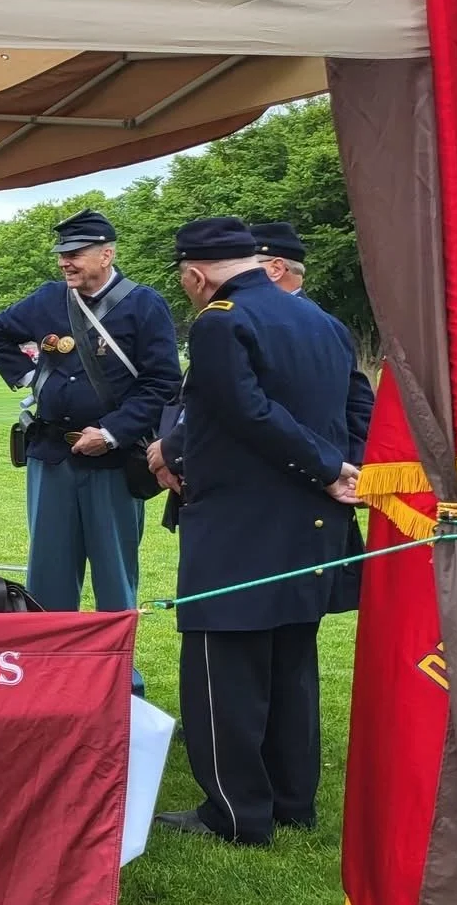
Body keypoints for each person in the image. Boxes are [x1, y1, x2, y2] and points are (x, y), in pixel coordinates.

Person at [154, 218, 366, 846]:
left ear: (195, 275)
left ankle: (236, 811)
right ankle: (293, 800)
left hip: (241, 524)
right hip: (309, 522)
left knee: (225, 673)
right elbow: (353, 406)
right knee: (292, 667)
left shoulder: (221, 322)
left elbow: (245, 412)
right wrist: (336, 466)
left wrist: (328, 468)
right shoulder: (324, 323)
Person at [0, 209, 180, 687]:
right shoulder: (50, 299)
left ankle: (116, 675)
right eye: (62, 255)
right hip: (51, 453)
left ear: (106, 253)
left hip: (114, 460)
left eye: (74, 255)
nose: (65, 263)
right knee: (48, 569)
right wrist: (32, 380)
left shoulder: (144, 305)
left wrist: (111, 431)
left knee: (114, 573)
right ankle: (48, 672)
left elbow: (162, 384)